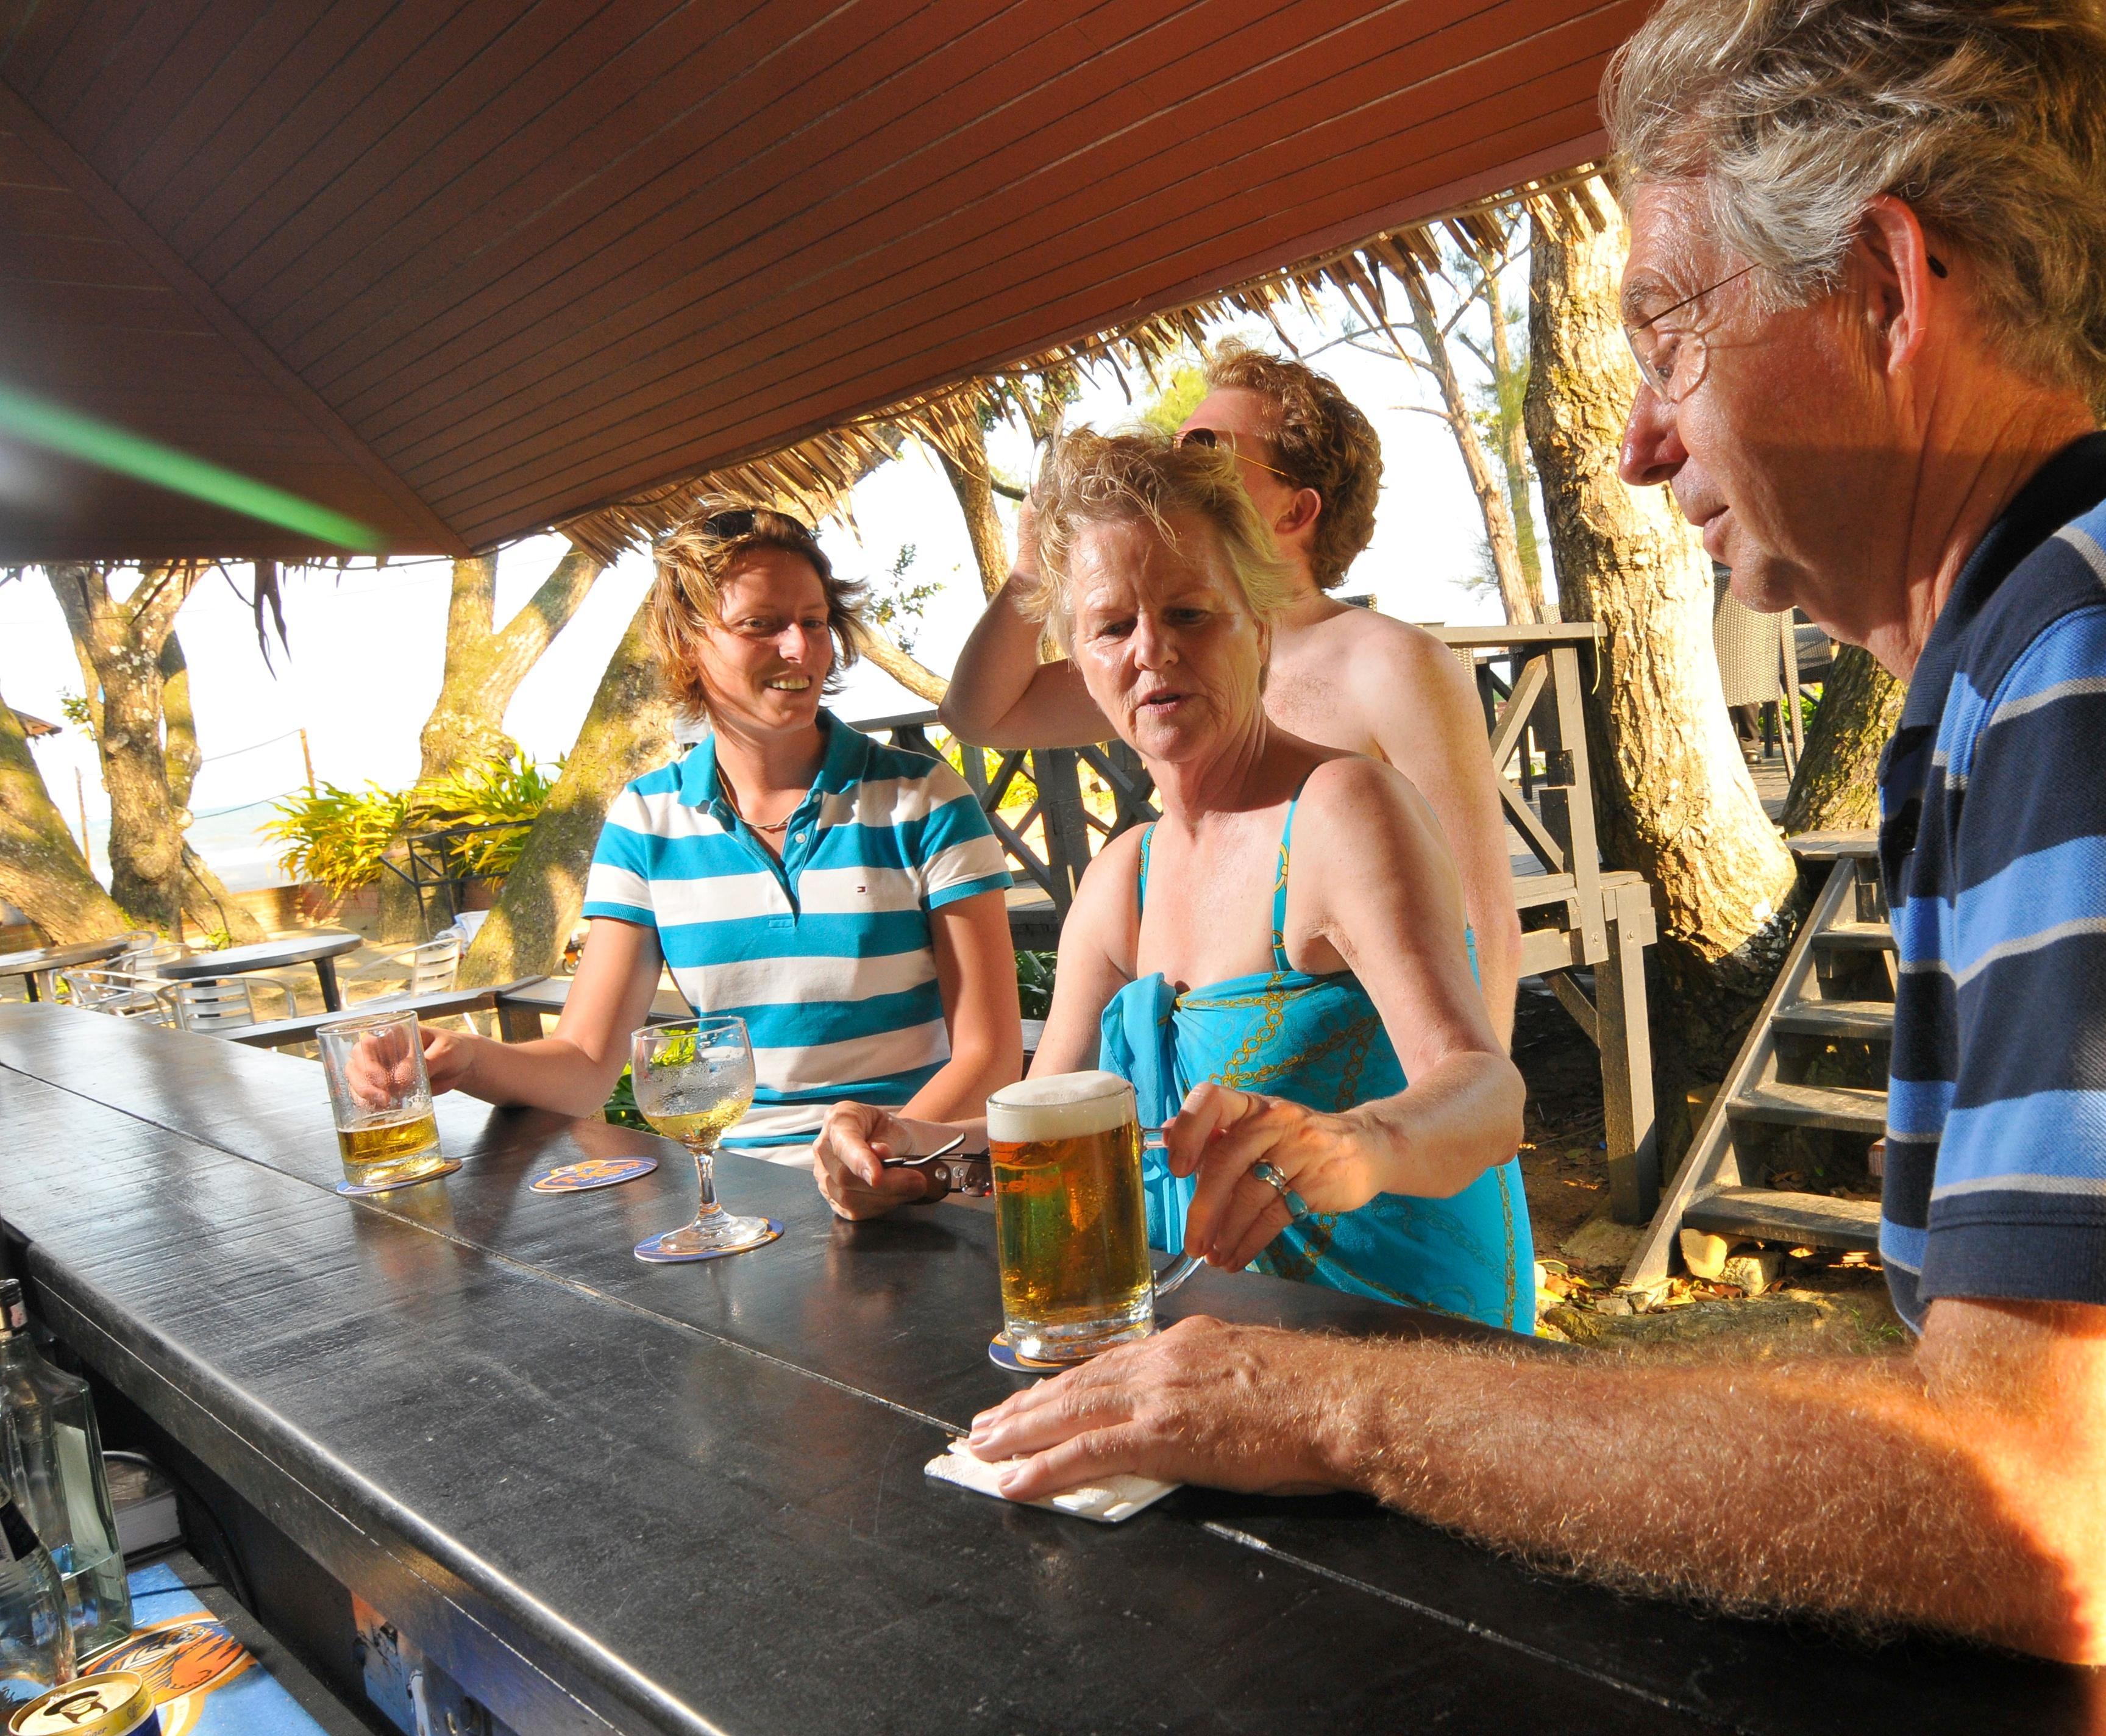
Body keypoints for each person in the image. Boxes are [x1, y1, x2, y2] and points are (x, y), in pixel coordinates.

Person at [949, 0, 2106, 1666]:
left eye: (1669, 333)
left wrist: (1330, 1405)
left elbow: (2042, 1505)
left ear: (1888, 288)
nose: (1639, 439)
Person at [817, 432, 1535, 1331]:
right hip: (1212, 1337)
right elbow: (1048, 1137)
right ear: (1081, 664)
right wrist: (909, 1152)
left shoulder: (1341, 809)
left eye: (1191, 613)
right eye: (1112, 627)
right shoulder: (1123, 882)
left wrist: (1362, 1142)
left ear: (1261, 632)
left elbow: (1487, 1094)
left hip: (1400, 1330)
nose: (1151, 651)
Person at [941, 343, 1526, 1045]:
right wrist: (1035, 574)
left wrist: (1479, 1109)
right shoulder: (1155, 657)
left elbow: (1481, 911)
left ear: (1297, 509)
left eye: (1209, 447)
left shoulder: (1389, 661)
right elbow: (979, 714)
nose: (1182, 460)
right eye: (1180, 443)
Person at [403, 502, 1023, 1158]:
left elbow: (989, 1055)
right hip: (745, 1201)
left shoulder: (922, 800)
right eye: (761, 625)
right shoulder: (646, 821)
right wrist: (465, 1059)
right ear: (685, 643)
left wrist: (878, 1152)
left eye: (814, 622)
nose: (799, 647)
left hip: (919, 1177)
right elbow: (586, 1063)